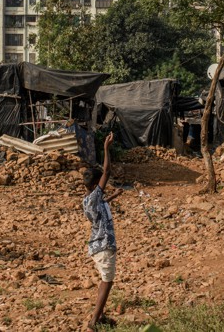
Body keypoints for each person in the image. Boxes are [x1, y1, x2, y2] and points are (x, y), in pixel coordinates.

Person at [82, 133, 123, 330]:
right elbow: (106, 171)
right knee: (107, 282)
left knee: (105, 279)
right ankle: (93, 323)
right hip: (104, 244)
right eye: (99, 183)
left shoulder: (88, 200)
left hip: (96, 245)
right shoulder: (96, 194)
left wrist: (113, 196)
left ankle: (101, 317)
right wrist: (106, 148)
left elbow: (101, 205)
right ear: (95, 185)